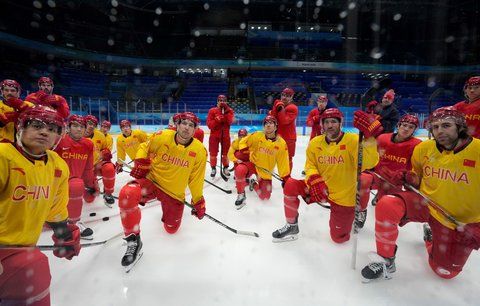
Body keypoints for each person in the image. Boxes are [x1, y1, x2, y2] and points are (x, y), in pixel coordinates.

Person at [361, 107, 480, 282]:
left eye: (446, 125)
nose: (440, 131)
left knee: (445, 272)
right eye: (435, 126)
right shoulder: (424, 148)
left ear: (460, 126)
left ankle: (431, 240)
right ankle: (385, 259)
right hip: (426, 203)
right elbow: (418, 178)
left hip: (458, 220)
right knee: (388, 204)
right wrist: (409, 177)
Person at [0, 106, 80, 305]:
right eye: (37, 126)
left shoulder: (57, 165)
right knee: (32, 268)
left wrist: (63, 234)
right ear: (21, 128)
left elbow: (55, 208)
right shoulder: (3, 156)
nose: (45, 132)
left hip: (21, 249)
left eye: (53, 129)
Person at [272, 108, 380, 243]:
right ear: (322, 124)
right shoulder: (315, 142)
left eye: (334, 121)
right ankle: (291, 225)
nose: (330, 125)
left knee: (338, 239)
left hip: (343, 197)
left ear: (340, 124)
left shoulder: (352, 140)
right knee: (290, 185)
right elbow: (310, 165)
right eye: (326, 122)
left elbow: (368, 163)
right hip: (320, 188)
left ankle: (359, 211)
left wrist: (370, 139)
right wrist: (314, 180)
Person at [117, 112, 207, 270]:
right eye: (184, 123)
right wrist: (141, 162)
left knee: (171, 230)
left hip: (173, 194)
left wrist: (198, 200)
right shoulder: (162, 136)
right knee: (127, 193)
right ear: (177, 125)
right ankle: (133, 240)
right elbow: (144, 146)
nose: (186, 127)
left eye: (191, 125)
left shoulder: (199, 151)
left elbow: (196, 179)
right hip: (152, 182)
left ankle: (168, 212)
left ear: (195, 130)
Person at [357, 114, 422, 228]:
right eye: (404, 125)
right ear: (399, 125)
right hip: (377, 175)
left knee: (385, 206)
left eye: (411, 127)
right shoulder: (382, 138)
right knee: (363, 179)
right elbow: (369, 154)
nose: (406, 129)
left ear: (414, 130)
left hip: (395, 181)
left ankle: (380, 196)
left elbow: (415, 168)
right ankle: (361, 211)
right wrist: (366, 137)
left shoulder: (417, 145)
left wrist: (408, 179)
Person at [233, 116, 290, 209]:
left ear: (276, 127)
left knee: (265, 197)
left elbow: (283, 162)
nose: (268, 125)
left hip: (265, 172)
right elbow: (244, 141)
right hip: (253, 165)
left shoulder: (281, 143)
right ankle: (241, 194)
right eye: (266, 123)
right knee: (239, 170)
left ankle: (253, 183)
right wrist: (244, 148)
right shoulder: (257, 136)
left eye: (271, 123)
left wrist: (285, 177)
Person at [55, 115, 96, 239]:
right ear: (68, 127)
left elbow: (88, 168)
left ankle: (72, 223)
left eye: (82, 127)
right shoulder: (59, 141)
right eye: (75, 126)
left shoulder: (88, 144)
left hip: (74, 183)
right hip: (55, 183)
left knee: (78, 186)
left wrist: (91, 185)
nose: (79, 129)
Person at [84, 114, 116, 206]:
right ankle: (92, 182)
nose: (91, 126)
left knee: (109, 168)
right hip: (84, 169)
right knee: (89, 199)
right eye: (89, 123)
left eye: (93, 124)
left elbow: (105, 151)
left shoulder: (101, 136)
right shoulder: (77, 135)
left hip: (97, 164)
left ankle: (108, 193)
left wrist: (105, 156)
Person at [270, 87, 298, 173]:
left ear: (292, 97)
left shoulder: (292, 108)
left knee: (288, 159)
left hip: (288, 138)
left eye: (288, 96)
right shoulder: (279, 105)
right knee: (270, 156)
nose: (284, 97)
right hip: (277, 137)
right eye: (283, 95)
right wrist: (276, 107)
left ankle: (287, 178)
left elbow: (284, 121)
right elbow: (273, 119)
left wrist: (279, 107)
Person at [206, 94, 234, 178]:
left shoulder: (230, 111)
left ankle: (225, 167)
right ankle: (213, 168)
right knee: (213, 153)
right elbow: (209, 125)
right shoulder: (212, 111)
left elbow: (230, 122)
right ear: (217, 102)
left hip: (225, 135)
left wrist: (226, 111)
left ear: (226, 102)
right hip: (214, 135)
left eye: (224, 101)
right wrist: (216, 120)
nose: (222, 102)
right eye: (220, 101)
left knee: (226, 153)